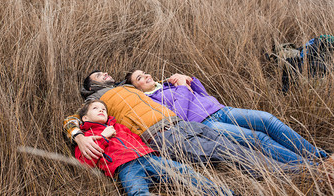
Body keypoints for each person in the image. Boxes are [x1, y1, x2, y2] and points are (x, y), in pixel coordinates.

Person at [64, 70, 299, 181]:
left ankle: (297, 168)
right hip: (161, 134)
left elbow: (157, 90)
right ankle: (295, 175)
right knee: (226, 152)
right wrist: (77, 135)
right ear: (91, 87)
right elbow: (73, 118)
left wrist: (180, 80)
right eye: (98, 75)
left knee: (235, 144)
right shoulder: (96, 100)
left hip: (180, 124)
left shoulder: (126, 88)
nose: (105, 73)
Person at [124, 69, 333, 167]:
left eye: (144, 73)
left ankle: (320, 156)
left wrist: (190, 80)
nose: (147, 76)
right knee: (257, 138)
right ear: (136, 88)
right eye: (140, 78)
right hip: (206, 123)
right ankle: (309, 167)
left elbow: (202, 94)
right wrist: (181, 88)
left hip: (221, 109)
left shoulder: (168, 83)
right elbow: (180, 113)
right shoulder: (150, 102)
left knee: (268, 119)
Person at [75, 99, 232, 196]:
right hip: (125, 168)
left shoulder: (118, 126)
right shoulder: (85, 138)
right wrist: (104, 137)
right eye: (95, 108)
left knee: (185, 173)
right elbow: (86, 162)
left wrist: (149, 151)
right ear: (85, 118)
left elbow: (136, 139)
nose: (101, 110)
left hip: (149, 158)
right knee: (138, 192)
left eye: (103, 108)